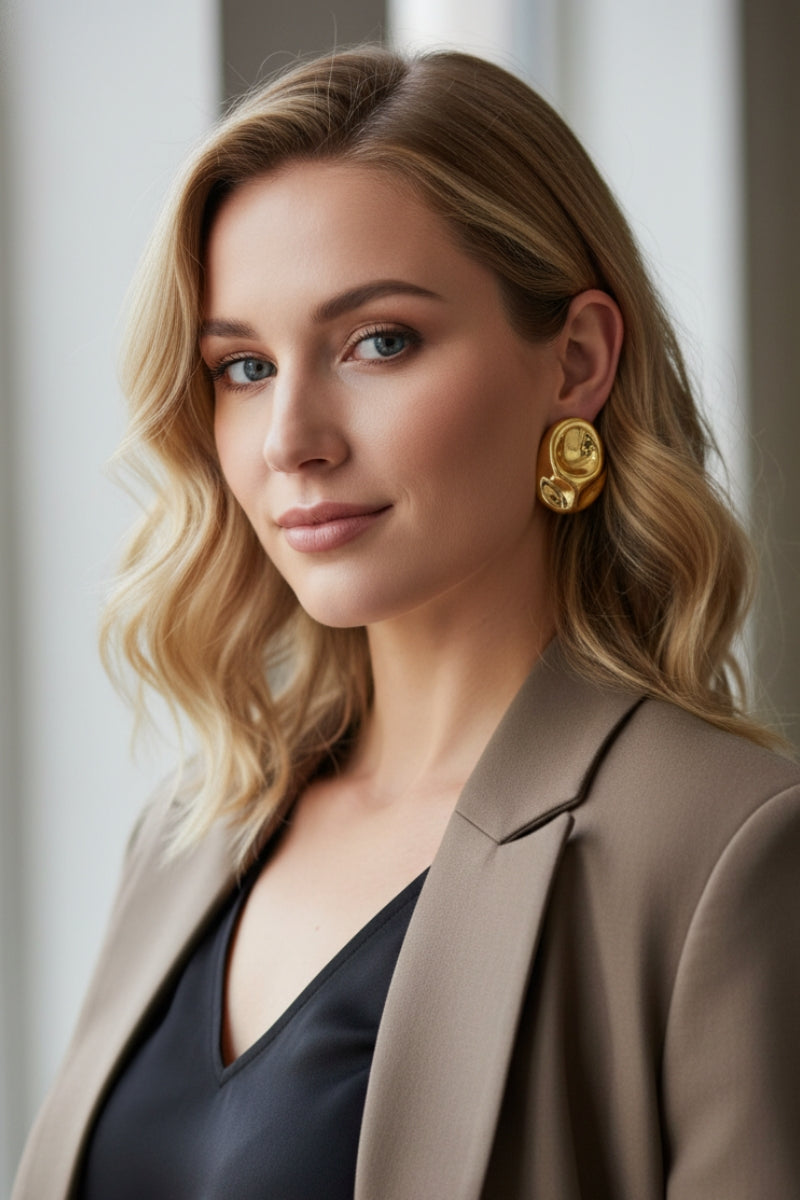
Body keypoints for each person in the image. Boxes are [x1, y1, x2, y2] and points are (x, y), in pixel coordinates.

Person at [12, 45, 800, 1200]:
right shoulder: (189, 831)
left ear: (574, 360)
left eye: (376, 342)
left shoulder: (722, 850)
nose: (291, 437)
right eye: (240, 366)